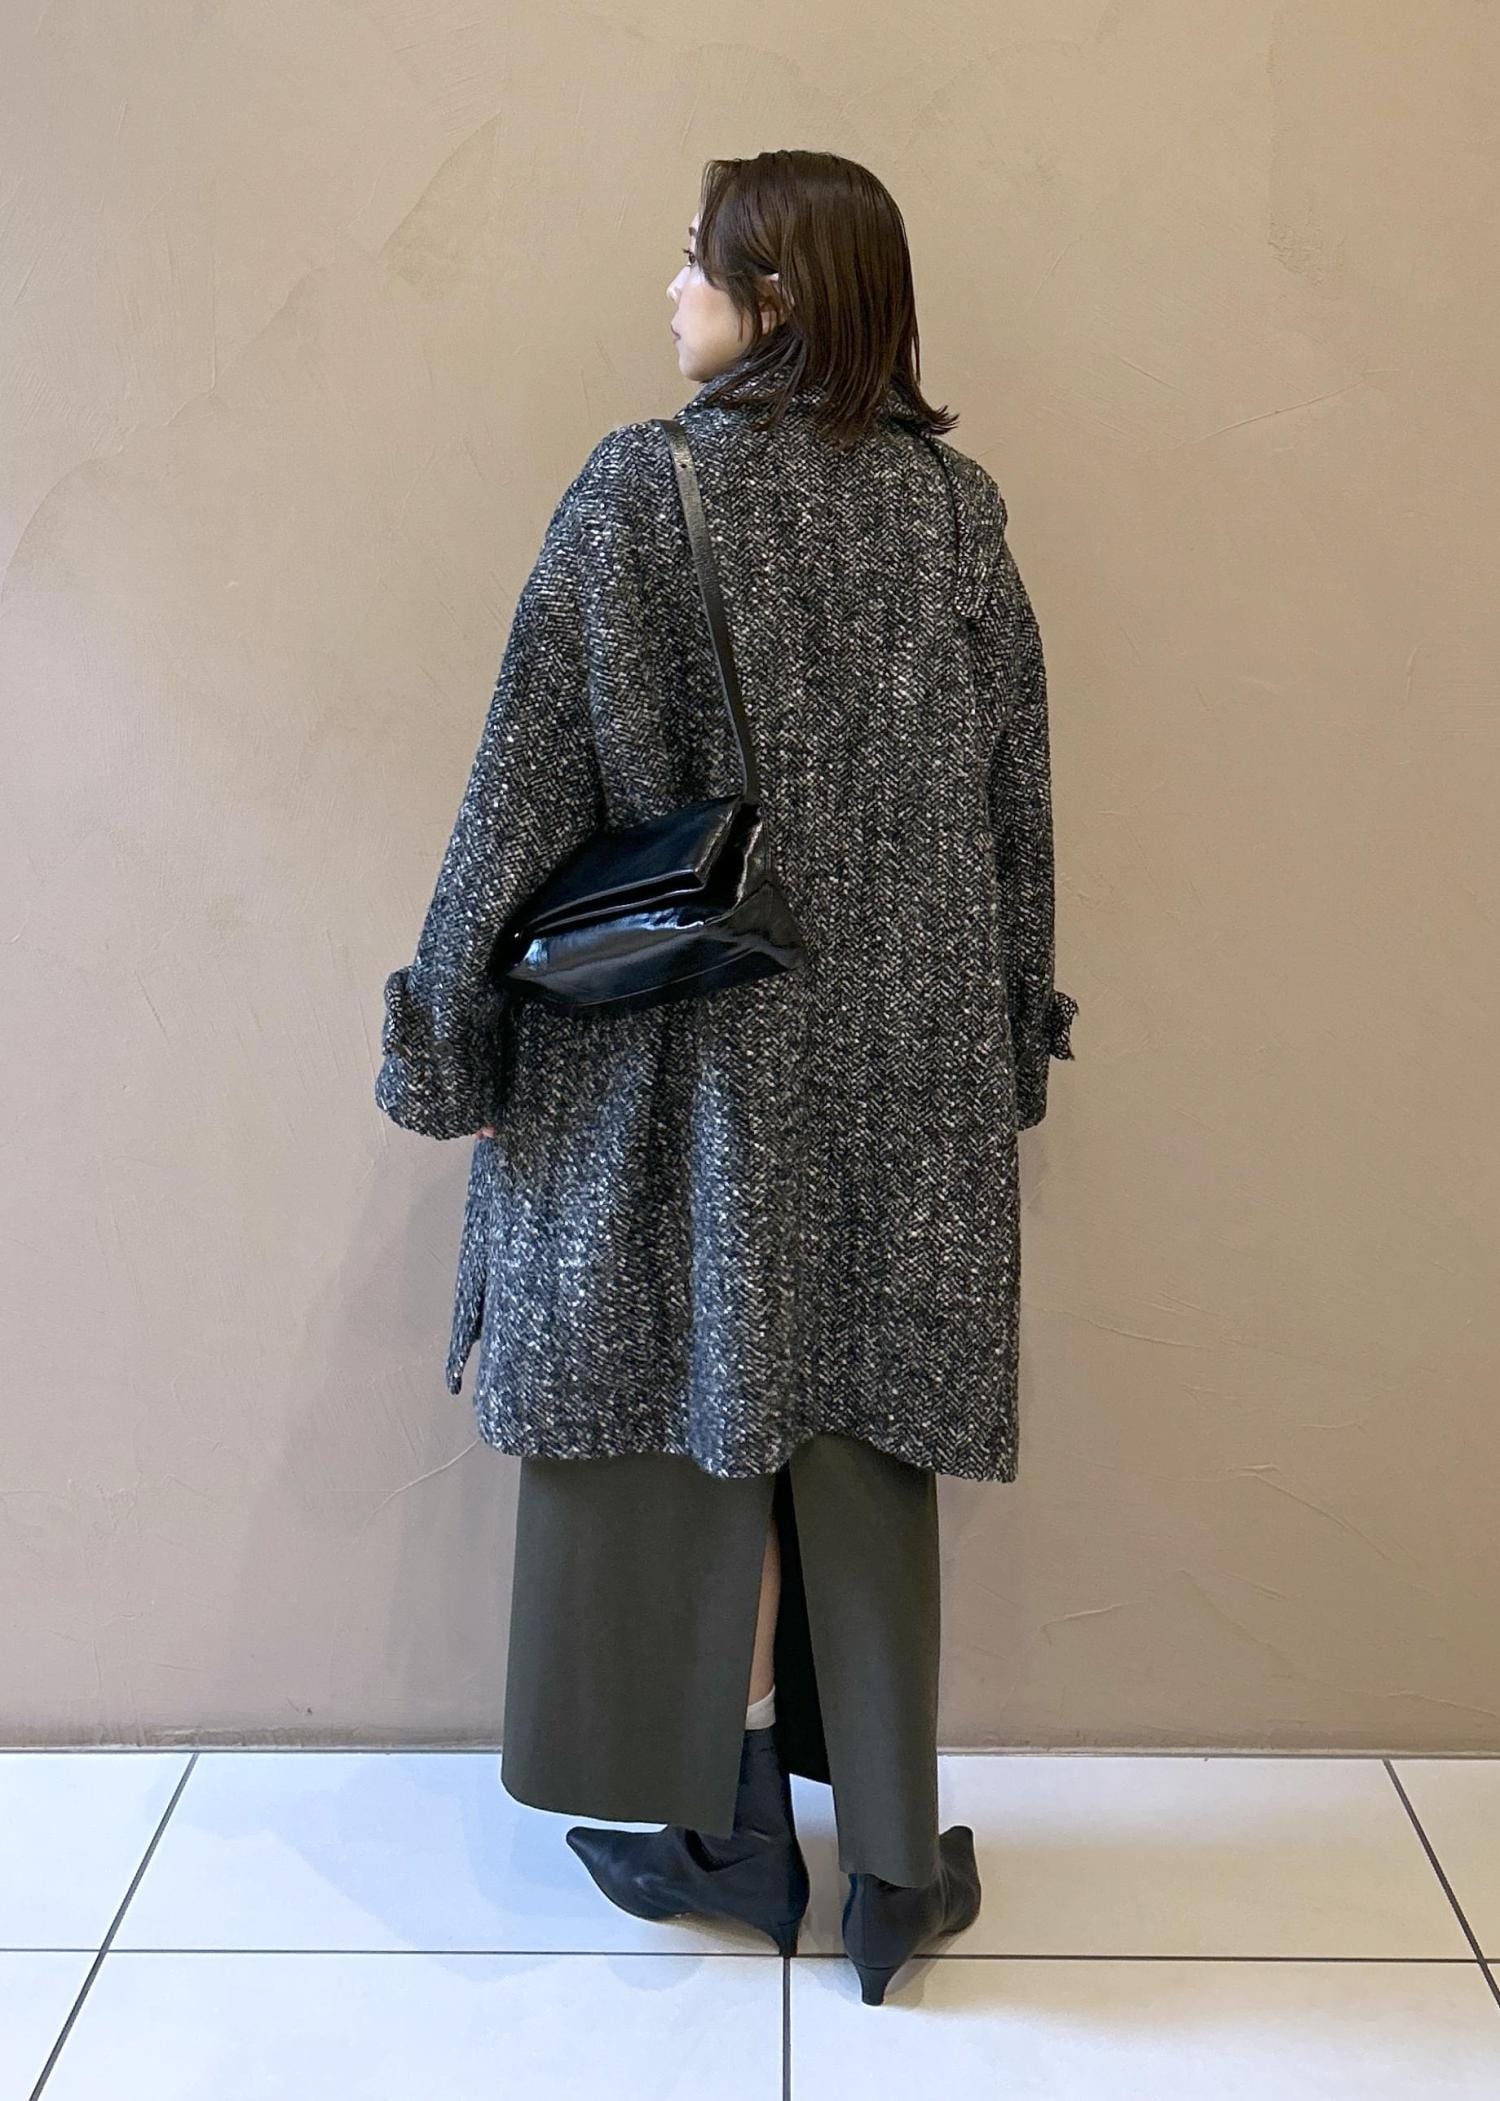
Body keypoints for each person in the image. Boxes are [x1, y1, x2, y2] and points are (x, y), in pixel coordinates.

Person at [373, 149, 1078, 2006]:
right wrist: (1009, 1030)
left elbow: (522, 789)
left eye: (695, 260)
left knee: (707, 1417)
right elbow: (1017, 805)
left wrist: (449, 1027)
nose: (669, 287)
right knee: (853, 1428)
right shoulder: (955, 514)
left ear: (774, 297)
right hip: (906, 1075)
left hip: (689, 1060)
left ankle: (717, 1824)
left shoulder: (641, 489)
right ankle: (892, 1867)